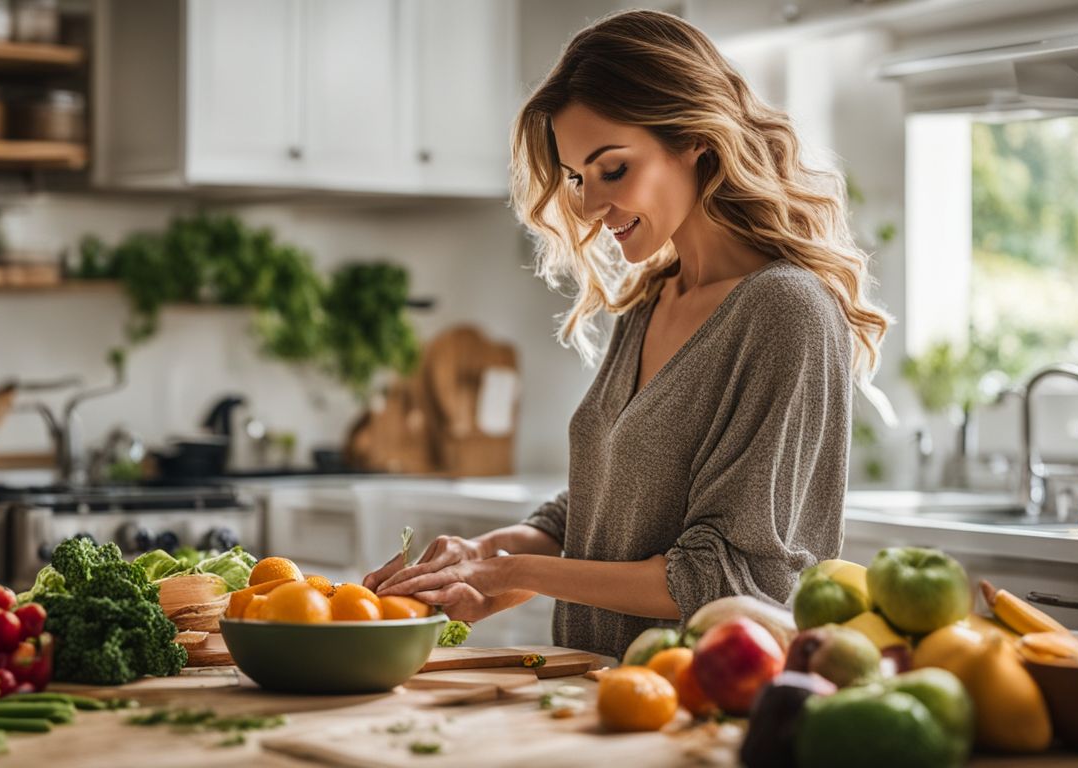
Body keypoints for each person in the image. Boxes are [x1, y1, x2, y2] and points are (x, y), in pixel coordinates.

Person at [363, 9, 890, 660]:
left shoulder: (785, 310)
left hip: (701, 711)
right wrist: (488, 556)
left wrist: (513, 574)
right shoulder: (653, 299)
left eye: (612, 169)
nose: (586, 205)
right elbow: (603, 510)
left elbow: (725, 580)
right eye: (578, 178)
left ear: (695, 139)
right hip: (604, 700)